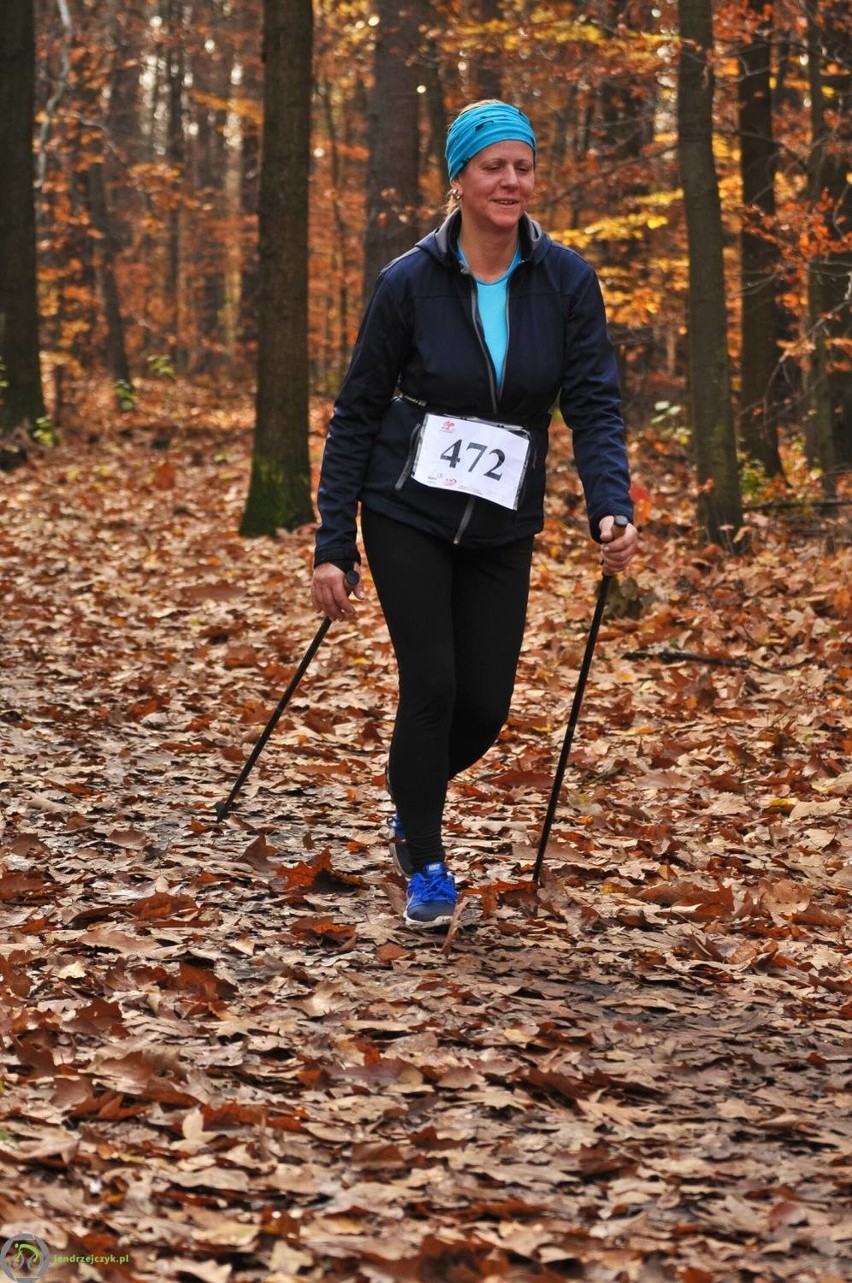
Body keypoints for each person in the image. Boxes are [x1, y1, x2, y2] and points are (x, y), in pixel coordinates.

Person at [311, 100, 638, 930]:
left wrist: (611, 503)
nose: (511, 181)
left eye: (522, 166)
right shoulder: (409, 281)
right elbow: (356, 412)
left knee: (485, 705)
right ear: (458, 179)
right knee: (433, 682)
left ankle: (406, 798)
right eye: (492, 166)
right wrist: (332, 543)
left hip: (501, 520)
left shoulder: (566, 279)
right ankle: (425, 857)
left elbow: (594, 402)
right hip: (405, 508)